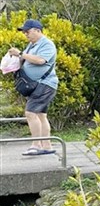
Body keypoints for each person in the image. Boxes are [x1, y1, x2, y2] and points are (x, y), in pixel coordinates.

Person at [6, 19, 59, 155]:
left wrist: (20, 54)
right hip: (37, 84)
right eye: (24, 32)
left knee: (31, 113)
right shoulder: (32, 44)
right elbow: (26, 59)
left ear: (37, 30)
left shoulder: (47, 44)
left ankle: (36, 145)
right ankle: (46, 145)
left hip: (45, 83)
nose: (25, 34)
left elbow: (40, 60)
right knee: (41, 115)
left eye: (27, 31)